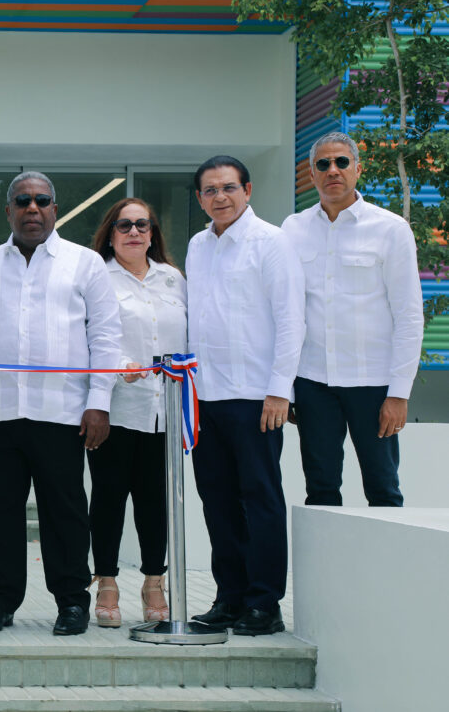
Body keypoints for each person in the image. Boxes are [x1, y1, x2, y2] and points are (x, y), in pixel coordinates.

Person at [0, 171, 121, 637]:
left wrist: (99, 403)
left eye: (41, 200)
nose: (32, 208)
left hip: (62, 413)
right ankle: (0, 601)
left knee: (65, 512)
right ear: (8, 211)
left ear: (54, 208)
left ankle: (71, 602)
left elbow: (106, 338)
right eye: (22, 201)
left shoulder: (85, 264)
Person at [186, 156, 304, 637]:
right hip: (205, 398)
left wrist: (280, 391)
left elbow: (291, 320)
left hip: (256, 397)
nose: (220, 197)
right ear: (199, 198)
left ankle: (264, 603)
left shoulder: (271, 242)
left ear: (247, 190)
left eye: (229, 188)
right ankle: (229, 598)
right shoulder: (197, 245)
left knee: (260, 501)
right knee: (217, 502)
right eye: (210, 190)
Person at [281, 132, 422, 507]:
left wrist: (399, 393)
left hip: (372, 384)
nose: (333, 170)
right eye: (323, 164)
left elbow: (409, 314)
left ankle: (387, 567)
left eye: (342, 162)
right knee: (321, 488)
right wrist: (288, 387)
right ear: (311, 175)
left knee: (383, 489)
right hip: (313, 383)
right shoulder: (292, 229)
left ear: (357, 169)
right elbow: (285, 310)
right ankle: (328, 568)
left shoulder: (390, 229)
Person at [87, 198, 185, 627]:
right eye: (124, 225)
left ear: (153, 233)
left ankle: (153, 582)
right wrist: (115, 369)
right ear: (110, 234)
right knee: (108, 499)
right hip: (115, 409)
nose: (134, 232)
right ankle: (106, 581)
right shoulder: (97, 278)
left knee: (154, 502)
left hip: (165, 410)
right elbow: (85, 338)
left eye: (142, 225)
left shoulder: (173, 279)